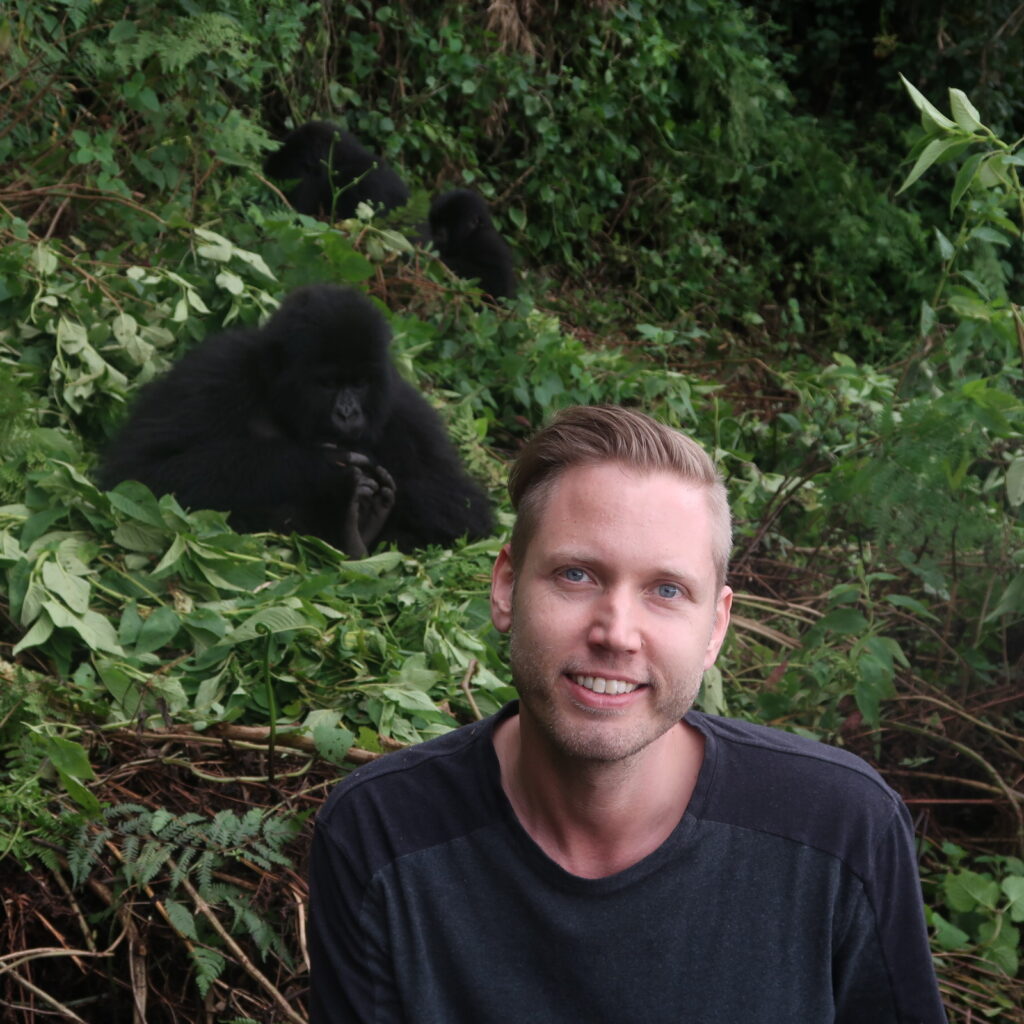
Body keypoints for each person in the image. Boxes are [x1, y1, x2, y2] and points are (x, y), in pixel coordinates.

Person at [308, 404, 947, 1023]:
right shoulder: (378, 834)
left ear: (715, 626)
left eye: (666, 591)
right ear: (506, 587)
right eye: (577, 575)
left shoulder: (840, 828)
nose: (617, 633)